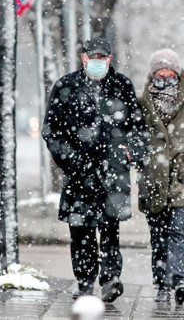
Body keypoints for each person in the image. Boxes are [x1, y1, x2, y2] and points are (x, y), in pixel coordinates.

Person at [42, 38, 147, 302]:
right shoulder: (66, 86)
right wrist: (71, 158)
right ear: (84, 58)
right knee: (81, 230)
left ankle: (110, 277)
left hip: (112, 172)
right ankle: (85, 282)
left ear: (110, 59)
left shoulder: (121, 86)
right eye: (93, 57)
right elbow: (52, 131)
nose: (98, 62)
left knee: (110, 228)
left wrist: (128, 152)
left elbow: (137, 128)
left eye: (103, 57)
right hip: (79, 174)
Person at [137, 49, 184, 305]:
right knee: (158, 234)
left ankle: (180, 280)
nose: (165, 74)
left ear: (177, 72)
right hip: (154, 179)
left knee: (179, 230)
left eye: (169, 70)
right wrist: (142, 158)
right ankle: (161, 284)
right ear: (153, 73)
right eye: (160, 70)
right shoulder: (143, 101)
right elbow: (136, 136)